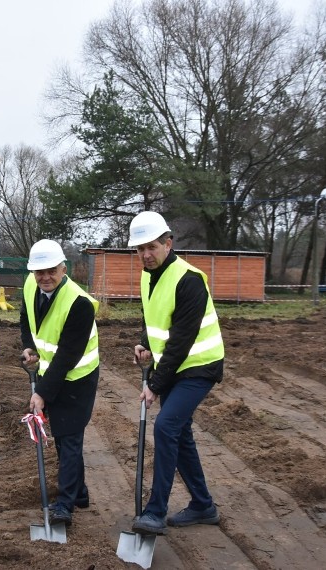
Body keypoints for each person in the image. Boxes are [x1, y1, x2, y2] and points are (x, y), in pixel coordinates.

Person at [127, 211, 225, 536]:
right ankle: (202, 505)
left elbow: (181, 340)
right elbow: (153, 319)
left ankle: (155, 512)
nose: (145, 255)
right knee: (180, 433)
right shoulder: (147, 276)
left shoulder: (189, 280)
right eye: (140, 249)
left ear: (168, 243)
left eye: (151, 247)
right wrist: (144, 343)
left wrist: (154, 384)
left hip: (199, 366)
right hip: (175, 366)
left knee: (166, 426)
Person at [19, 239, 99, 527]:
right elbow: (26, 318)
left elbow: (67, 356)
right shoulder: (30, 286)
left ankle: (64, 505)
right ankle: (79, 493)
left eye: (51, 270)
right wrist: (29, 347)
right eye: (39, 272)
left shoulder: (80, 304)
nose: (45, 277)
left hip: (78, 376)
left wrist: (41, 392)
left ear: (63, 269)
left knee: (69, 436)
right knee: (64, 439)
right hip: (50, 371)